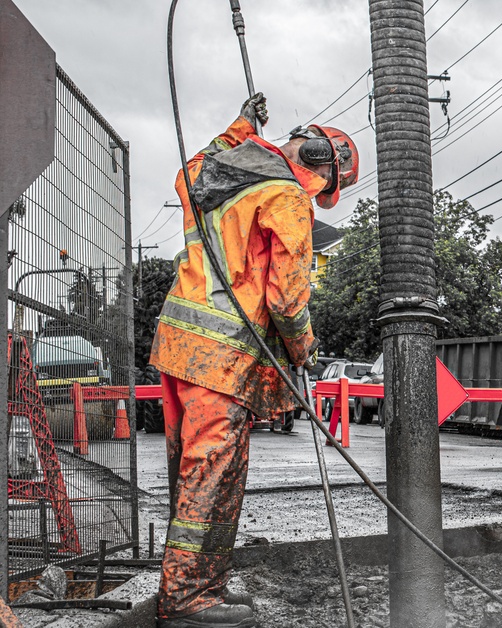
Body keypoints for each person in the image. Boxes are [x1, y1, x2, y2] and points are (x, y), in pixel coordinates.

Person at [149, 94, 358, 628]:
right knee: (213, 476)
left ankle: (195, 585)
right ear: (319, 165)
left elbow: (189, 168)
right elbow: (287, 298)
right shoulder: (286, 197)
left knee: (190, 474)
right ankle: (188, 600)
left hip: (178, 346)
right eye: (324, 188)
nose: (316, 196)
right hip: (221, 358)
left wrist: (241, 126)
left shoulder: (216, 177)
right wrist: (304, 346)